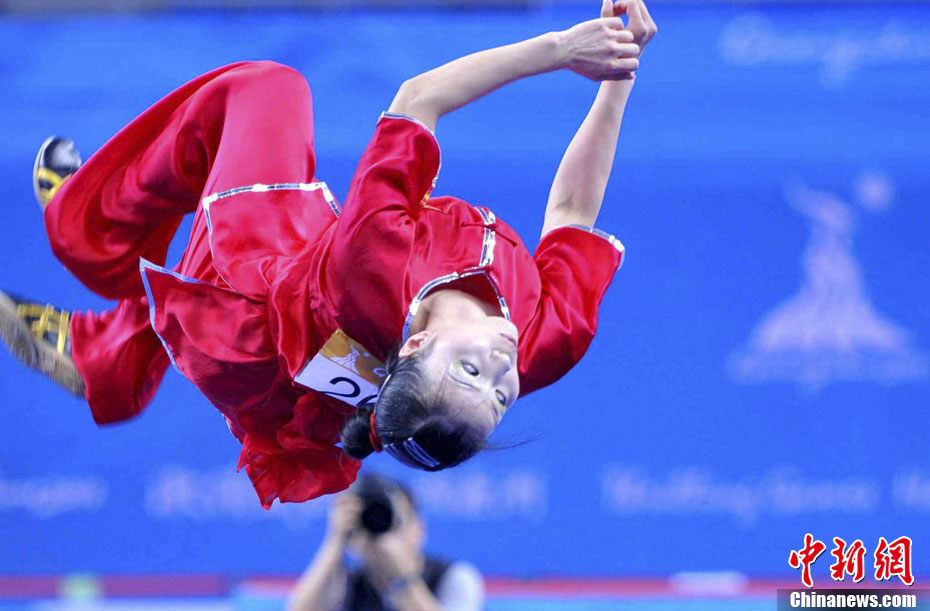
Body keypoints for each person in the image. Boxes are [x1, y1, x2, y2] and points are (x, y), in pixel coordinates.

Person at [0, 0, 657, 508]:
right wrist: (619, 72)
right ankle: (106, 358)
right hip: (303, 359)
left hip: (245, 309)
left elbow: (419, 99)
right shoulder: (547, 342)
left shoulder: (376, 263)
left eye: (471, 373)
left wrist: (560, 49)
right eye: (502, 396)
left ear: (418, 344)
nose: (503, 372)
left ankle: (86, 232)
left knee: (264, 90)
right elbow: (572, 212)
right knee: (260, 134)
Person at [288, 474, 483, 611]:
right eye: (370, 524)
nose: (383, 535)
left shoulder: (456, 576)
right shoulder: (348, 585)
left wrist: (403, 580)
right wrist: (335, 541)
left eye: (395, 523)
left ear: (419, 527)